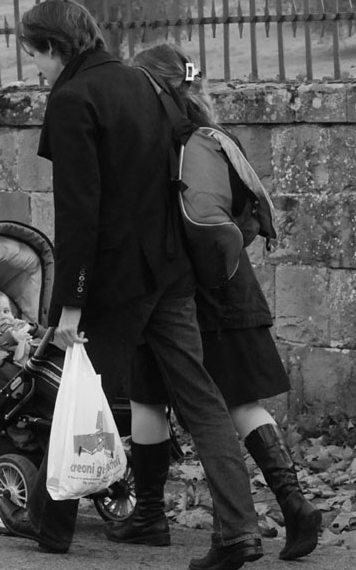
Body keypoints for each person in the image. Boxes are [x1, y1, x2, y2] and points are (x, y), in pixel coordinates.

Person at [0, 0, 263, 570]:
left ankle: (51, 521)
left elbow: (78, 213)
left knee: (81, 396)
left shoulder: (72, 99)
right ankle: (239, 530)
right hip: (170, 271)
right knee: (202, 400)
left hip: (116, 282)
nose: (35, 70)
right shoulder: (145, 83)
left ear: (53, 47)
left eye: (34, 56)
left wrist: (69, 305)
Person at [130, 42, 322, 561]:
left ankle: (148, 515)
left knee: (148, 396)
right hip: (233, 282)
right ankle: (294, 503)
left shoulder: (162, 141)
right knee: (241, 402)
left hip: (180, 288)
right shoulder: (216, 137)